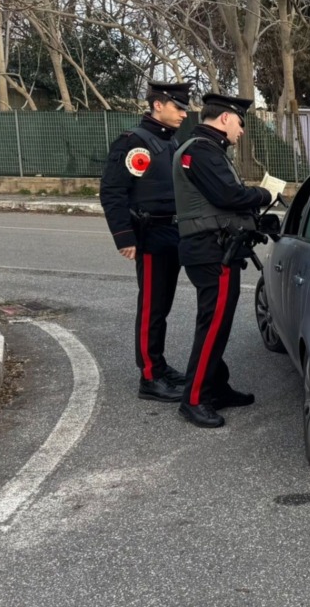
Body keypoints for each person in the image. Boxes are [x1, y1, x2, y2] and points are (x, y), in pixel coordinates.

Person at [173, 93, 281, 428]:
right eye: (240, 123)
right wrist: (266, 194)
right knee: (213, 325)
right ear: (224, 119)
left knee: (216, 324)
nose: (242, 131)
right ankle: (193, 399)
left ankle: (216, 388)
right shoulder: (201, 151)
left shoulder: (208, 149)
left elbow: (222, 202)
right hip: (211, 251)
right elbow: (228, 196)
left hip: (216, 248)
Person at [100, 81, 193, 402]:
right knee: (152, 307)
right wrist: (124, 236)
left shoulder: (169, 141)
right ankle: (150, 377)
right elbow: (112, 191)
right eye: (178, 107)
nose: (183, 113)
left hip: (173, 234)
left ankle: (160, 365)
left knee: (163, 306)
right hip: (152, 236)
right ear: (158, 105)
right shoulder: (136, 143)